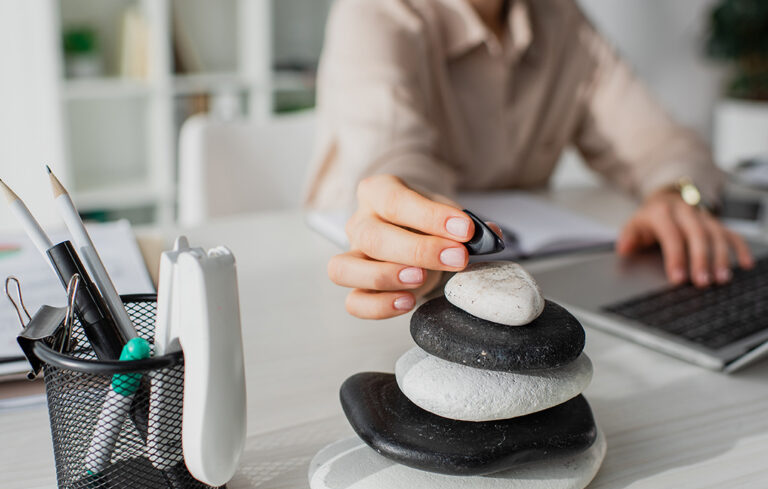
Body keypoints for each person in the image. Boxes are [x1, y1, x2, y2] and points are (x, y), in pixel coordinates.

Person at [305, 0, 754, 319]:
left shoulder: (560, 19)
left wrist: (676, 192)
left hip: (522, 280)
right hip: (351, 279)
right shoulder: (375, 12)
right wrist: (413, 217)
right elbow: (395, 152)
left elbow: (663, 141)